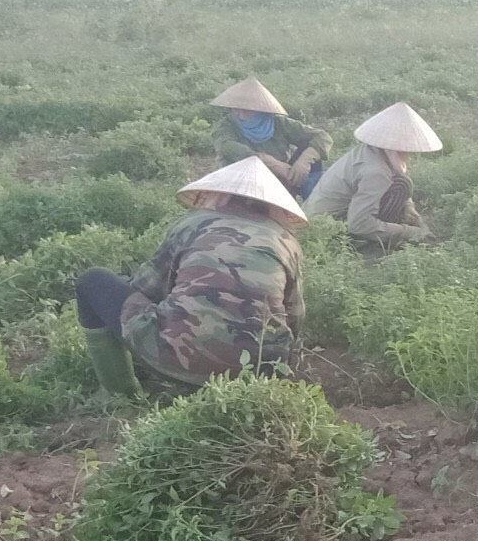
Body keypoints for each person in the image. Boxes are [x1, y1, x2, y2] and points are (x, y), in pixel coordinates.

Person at [74, 156, 307, 399]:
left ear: (219, 194)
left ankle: (120, 395)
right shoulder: (287, 242)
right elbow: (294, 318)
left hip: (180, 360)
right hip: (262, 372)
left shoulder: (194, 223)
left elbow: (147, 287)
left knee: (92, 281)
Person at [306, 103, 441, 252]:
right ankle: (369, 246)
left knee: (402, 184)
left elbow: (399, 177)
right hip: (326, 227)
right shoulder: (376, 171)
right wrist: (409, 232)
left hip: (314, 214)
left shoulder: (374, 151)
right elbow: (359, 224)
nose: (410, 154)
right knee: (402, 186)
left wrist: (410, 208)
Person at [208, 77, 331, 198]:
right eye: (236, 110)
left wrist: (304, 162)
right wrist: (267, 161)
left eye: (247, 111)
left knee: (310, 151)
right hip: (243, 181)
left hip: (283, 178)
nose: (240, 115)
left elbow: (322, 136)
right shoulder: (225, 126)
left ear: (261, 111)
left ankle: (311, 204)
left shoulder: (279, 123)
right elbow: (227, 146)